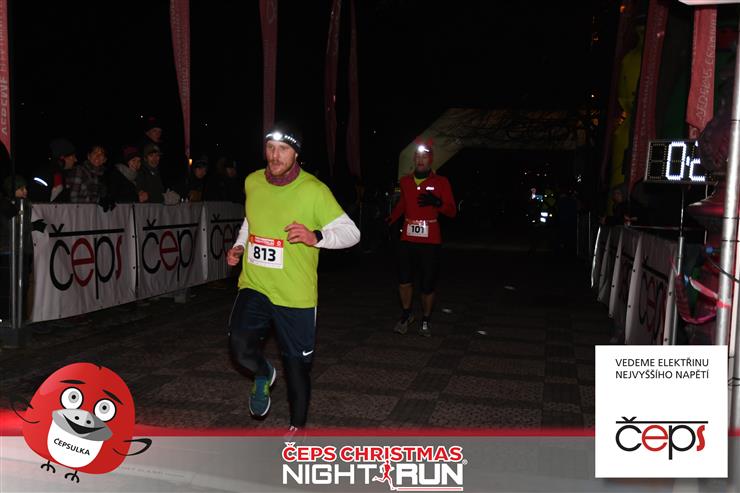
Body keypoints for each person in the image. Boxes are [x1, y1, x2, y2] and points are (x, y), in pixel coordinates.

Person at [226, 122, 360, 433]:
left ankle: (297, 429)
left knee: (297, 366)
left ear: (296, 153)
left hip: (295, 294)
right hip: (256, 283)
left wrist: (317, 236)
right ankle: (264, 373)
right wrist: (240, 245)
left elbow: (352, 233)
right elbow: (250, 220)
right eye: (270, 148)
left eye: (283, 149)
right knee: (239, 346)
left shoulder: (314, 190)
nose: (275, 155)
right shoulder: (252, 181)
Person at [387, 140, 456, 337]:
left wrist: (438, 203)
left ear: (430, 159)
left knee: (427, 285)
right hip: (407, 239)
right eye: (417, 157)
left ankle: (426, 319)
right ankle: (406, 314)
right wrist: (390, 219)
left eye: (424, 157)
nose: (420, 160)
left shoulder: (441, 182)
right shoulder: (405, 181)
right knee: (404, 280)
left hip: (430, 241)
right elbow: (403, 205)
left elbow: (452, 211)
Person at [28, 138, 77, 203]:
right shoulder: (43, 175)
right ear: (62, 158)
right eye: (73, 157)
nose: (75, 160)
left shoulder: (66, 175)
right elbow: (37, 202)